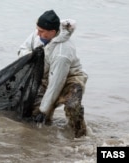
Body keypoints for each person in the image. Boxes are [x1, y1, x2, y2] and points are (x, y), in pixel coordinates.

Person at [18, 10, 88, 138]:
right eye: (37, 30)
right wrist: (31, 55)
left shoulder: (62, 53)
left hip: (70, 79)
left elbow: (56, 83)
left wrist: (44, 110)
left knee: (72, 106)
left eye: (42, 32)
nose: (38, 34)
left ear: (53, 32)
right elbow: (22, 49)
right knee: (33, 115)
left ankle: (81, 135)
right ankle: (46, 140)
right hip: (46, 76)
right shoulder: (40, 33)